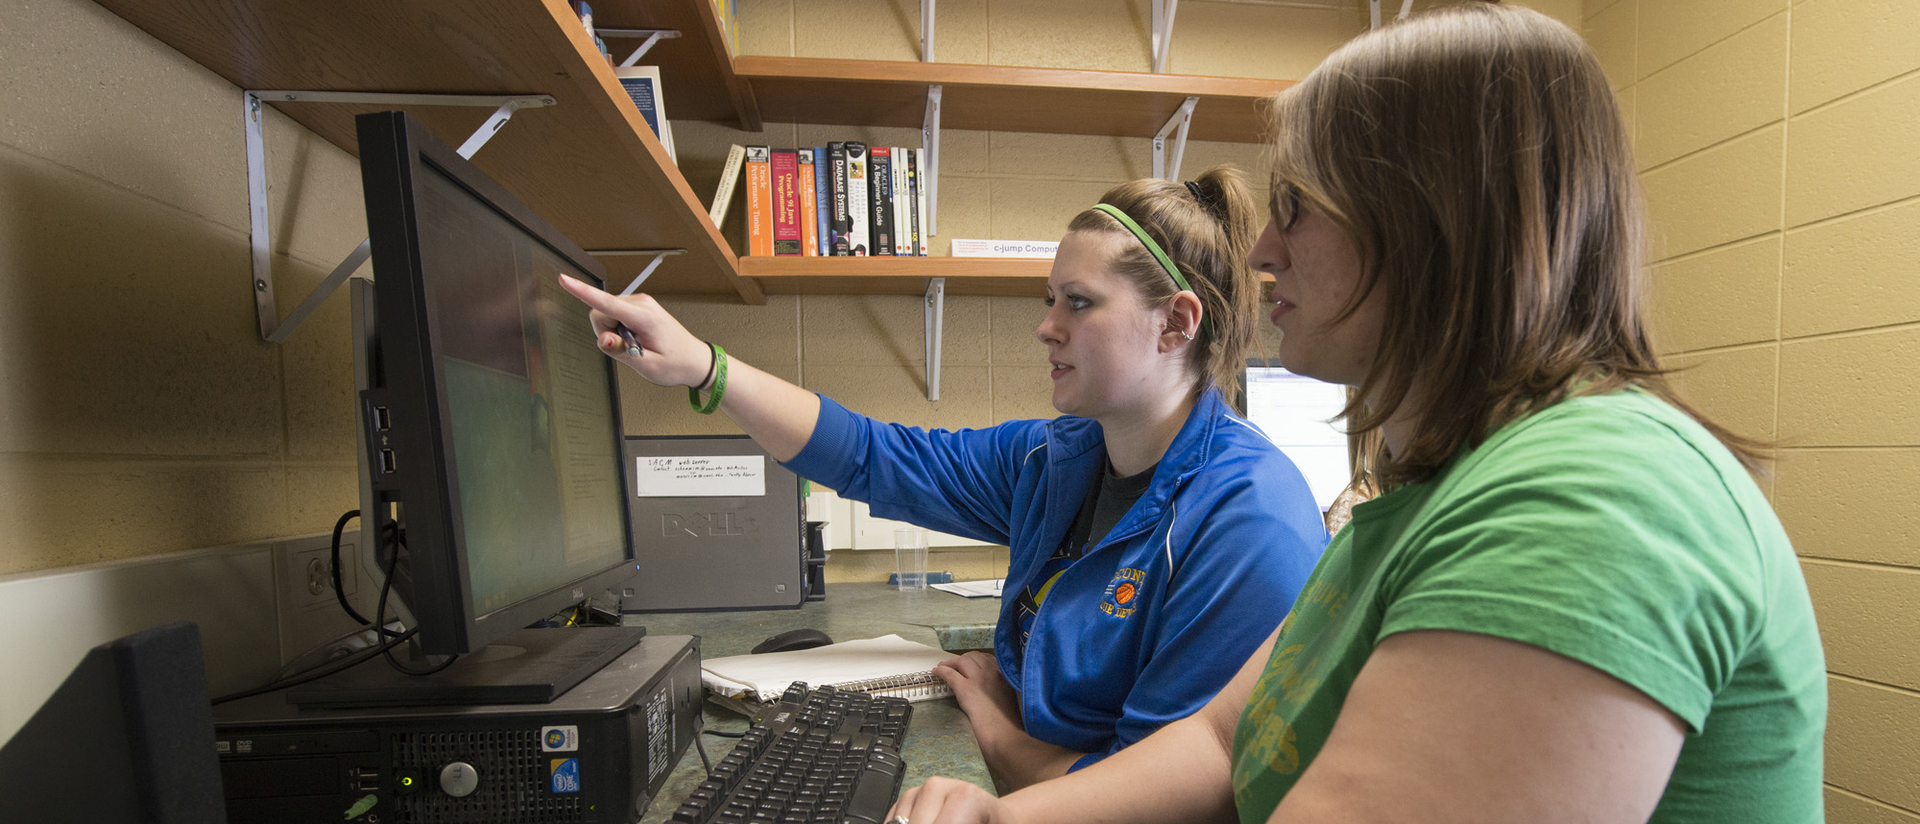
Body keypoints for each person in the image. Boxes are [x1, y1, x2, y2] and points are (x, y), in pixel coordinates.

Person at [883, 5, 1827, 823]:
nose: (1259, 250)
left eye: (1293, 206)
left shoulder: (1588, 497)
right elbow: (1217, 742)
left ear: (1428, 217)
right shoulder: (1425, 501)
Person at [559, 165, 1329, 790]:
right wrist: (704, 366)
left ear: (1176, 324)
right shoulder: (1057, 458)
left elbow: (1147, 800)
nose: (1045, 325)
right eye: (1049, 299)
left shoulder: (1246, 519)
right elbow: (871, 455)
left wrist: (994, 716)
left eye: (1078, 302)